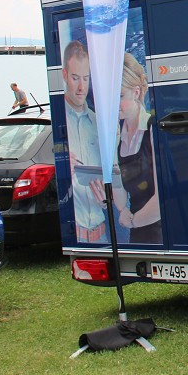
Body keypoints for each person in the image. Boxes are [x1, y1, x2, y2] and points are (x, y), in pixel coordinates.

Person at [107, 52, 162, 244]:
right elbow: (121, 200)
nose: (115, 104)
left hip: (158, 229)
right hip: (135, 228)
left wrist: (132, 221)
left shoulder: (151, 129)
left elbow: (161, 197)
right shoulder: (118, 136)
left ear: (137, 92)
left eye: (120, 96)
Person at [62, 40, 108, 244]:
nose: (81, 88)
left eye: (86, 79)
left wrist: (108, 198)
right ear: (64, 75)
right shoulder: (58, 123)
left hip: (102, 233)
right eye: (74, 78)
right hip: (76, 234)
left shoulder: (99, 123)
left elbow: (115, 176)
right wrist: (61, 168)